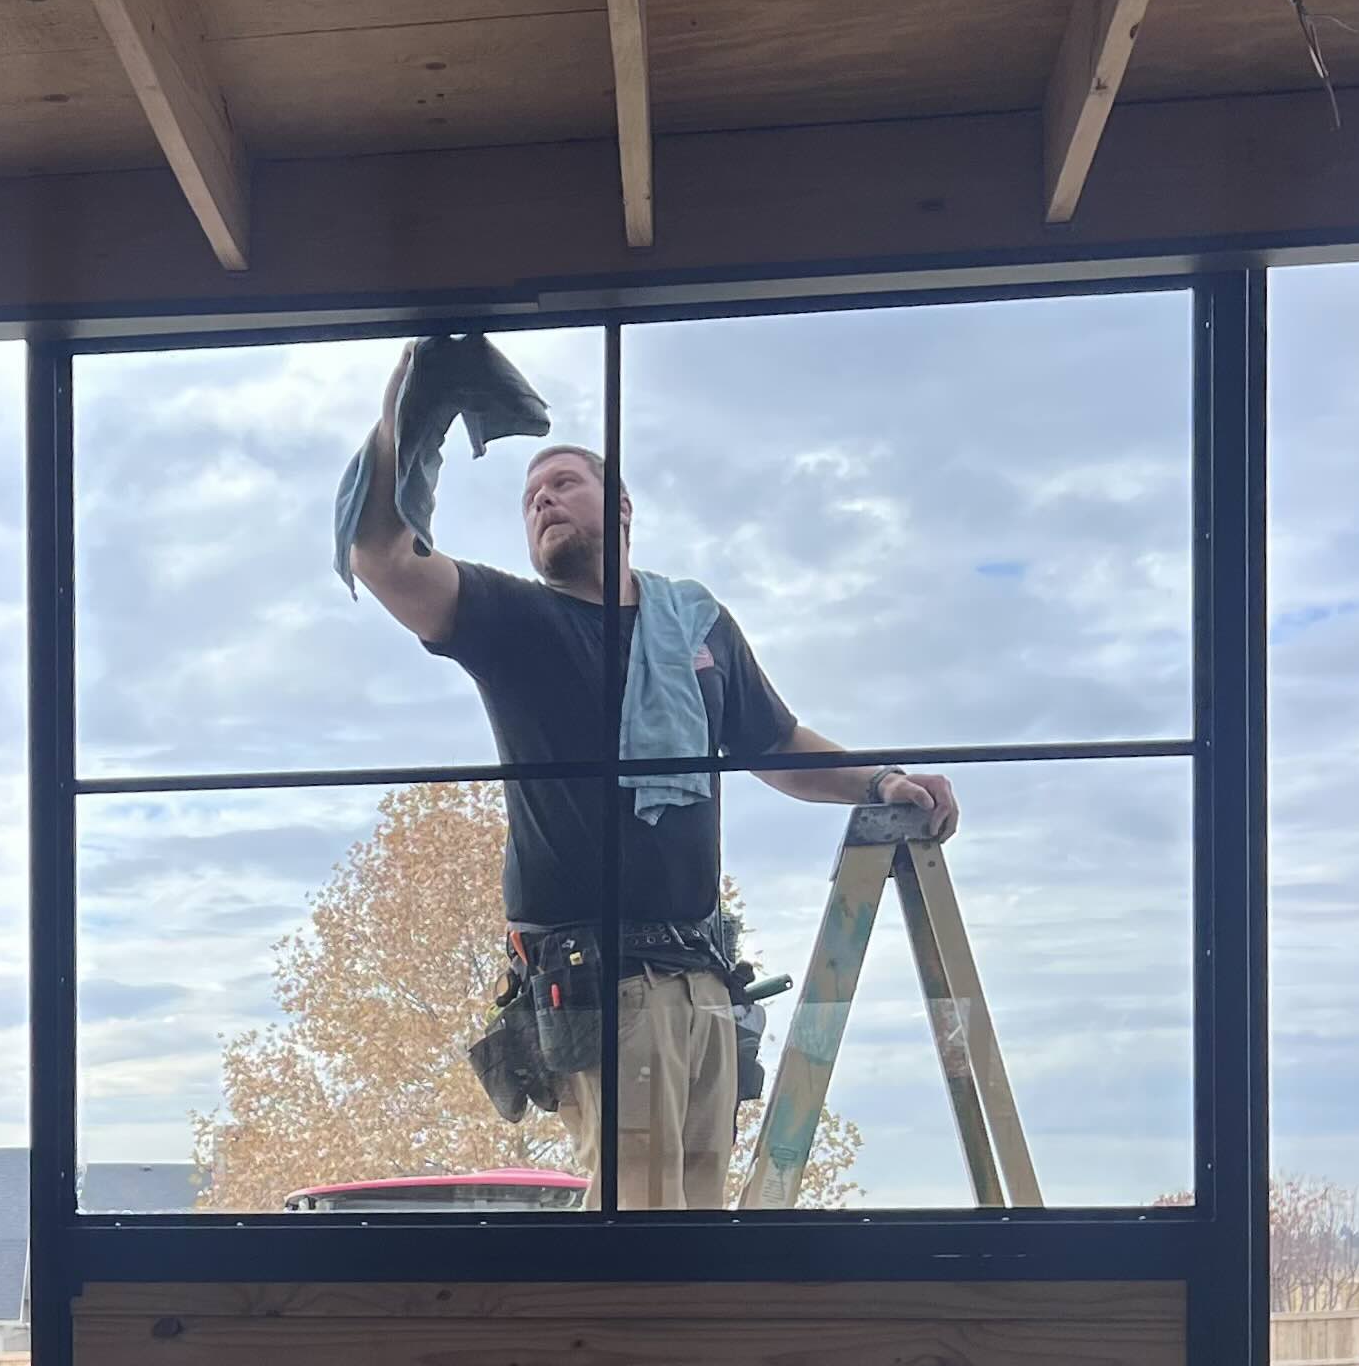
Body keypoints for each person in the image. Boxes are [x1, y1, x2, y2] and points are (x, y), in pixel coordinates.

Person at [348, 353, 959, 1209]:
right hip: (600, 978)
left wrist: (882, 780)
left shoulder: (696, 627)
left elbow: (776, 744)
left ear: (623, 508)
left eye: (563, 484)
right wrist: (406, 415)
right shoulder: (516, 621)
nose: (543, 501)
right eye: (530, 501)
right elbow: (384, 557)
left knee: (700, 1209)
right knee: (634, 1210)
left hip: (703, 974)